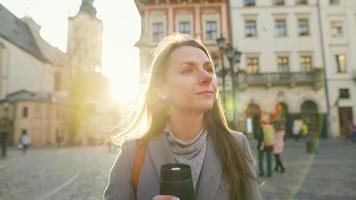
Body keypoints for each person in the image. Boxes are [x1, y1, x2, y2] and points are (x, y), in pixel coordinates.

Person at [104, 33, 261, 200]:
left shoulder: (237, 145)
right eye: (188, 70)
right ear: (162, 89)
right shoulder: (133, 153)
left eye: (209, 69)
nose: (207, 77)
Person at [260, 113, 275, 178]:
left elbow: (259, 136)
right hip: (270, 145)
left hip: (263, 145)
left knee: (261, 159)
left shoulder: (262, 127)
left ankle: (262, 172)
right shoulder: (271, 127)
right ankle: (269, 173)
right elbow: (273, 136)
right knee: (269, 160)